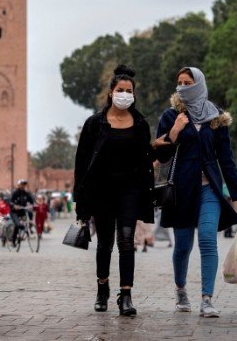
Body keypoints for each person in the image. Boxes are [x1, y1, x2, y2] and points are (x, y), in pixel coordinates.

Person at [154, 67, 237, 318]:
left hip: (209, 189)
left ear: (199, 85)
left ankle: (207, 298)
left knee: (208, 239)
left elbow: (227, 160)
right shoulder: (170, 115)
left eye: (188, 83)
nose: (182, 87)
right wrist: (174, 131)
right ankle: (181, 290)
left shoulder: (216, 119)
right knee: (183, 246)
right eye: (179, 83)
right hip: (181, 191)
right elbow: (161, 156)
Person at [73, 65, 155, 317]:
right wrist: (80, 200)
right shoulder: (94, 124)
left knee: (127, 241)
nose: (124, 94)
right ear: (111, 92)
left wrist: (169, 140)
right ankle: (102, 289)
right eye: (120, 90)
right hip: (101, 191)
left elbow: (147, 158)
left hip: (129, 191)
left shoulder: (140, 123)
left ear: (134, 94)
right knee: (105, 244)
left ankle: (126, 295)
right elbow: (82, 162)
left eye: (129, 91)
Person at [9, 179, 34, 245]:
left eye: (24, 185)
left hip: (22, 210)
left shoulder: (26, 193)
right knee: (18, 225)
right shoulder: (15, 192)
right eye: (22, 184)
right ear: (18, 185)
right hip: (14, 212)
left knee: (30, 213)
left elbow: (32, 201)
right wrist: (14, 206)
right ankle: (13, 240)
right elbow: (10, 202)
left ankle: (29, 227)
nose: (23, 186)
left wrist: (32, 205)